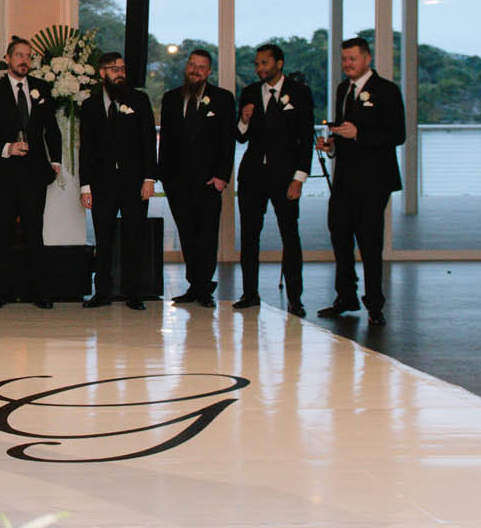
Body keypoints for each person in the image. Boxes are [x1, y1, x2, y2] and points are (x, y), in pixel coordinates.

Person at [318, 37, 406, 325]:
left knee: (369, 243)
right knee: (339, 235)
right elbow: (345, 130)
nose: (347, 64)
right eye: (344, 59)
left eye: (352, 59)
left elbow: (397, 135)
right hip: (345, 178)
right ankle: (346, 296)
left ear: (367, 59)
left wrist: (359, 134)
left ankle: (375, 304)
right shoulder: (343, 89)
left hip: (374, 180)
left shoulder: (387, 91)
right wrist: (332, 145)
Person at [0, 36, 62, 309]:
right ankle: (0, 292)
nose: (24, 60)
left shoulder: (42, 88)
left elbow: (52, 129)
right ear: (9, 59)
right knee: (1, 233)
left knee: (35, 232)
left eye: (28, 56)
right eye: (19, 55)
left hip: (35, 174)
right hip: (3, 174)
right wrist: (6, 147)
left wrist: (56, 161)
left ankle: (39, 292)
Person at [234, 43, 315, 315]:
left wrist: (299, 178)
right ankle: (249, 293)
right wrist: (243, 120)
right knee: (249, 235)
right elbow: (241, 136)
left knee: (289, 235)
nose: (259, 68)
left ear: (279, 64)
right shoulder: (249, 93)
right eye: (257, 64)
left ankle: (295, 298)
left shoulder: (300, 94)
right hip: (253, 175)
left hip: (285, 176)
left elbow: (306, 139)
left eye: (264, 63)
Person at [157, 49, 236, 306]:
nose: (196, 70)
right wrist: (164, 176)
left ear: (209, 71)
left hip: (209, 181)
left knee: (207, 234)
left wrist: (222, 176)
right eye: (192, 65)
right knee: (187, 234)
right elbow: (166, 140)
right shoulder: (170, 99)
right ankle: (195, 284)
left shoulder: (223, 99)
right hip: (177, 181)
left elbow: (228, 141)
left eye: (202, 67)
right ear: (186, 67)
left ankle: (203, 287)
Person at [78, 51, 156, 310]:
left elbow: (148, 141)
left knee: (134, 237)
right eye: (114, 69)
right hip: (102, 184)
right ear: (102, 73)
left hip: (134, 182)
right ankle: (102, 292)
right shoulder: (89, 105)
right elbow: (86, 149)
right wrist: (85, 186)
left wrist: (149, 178)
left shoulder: (139, 100)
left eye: (122, 68)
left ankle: (133, 293)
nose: (119, 73)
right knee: (104, 238)